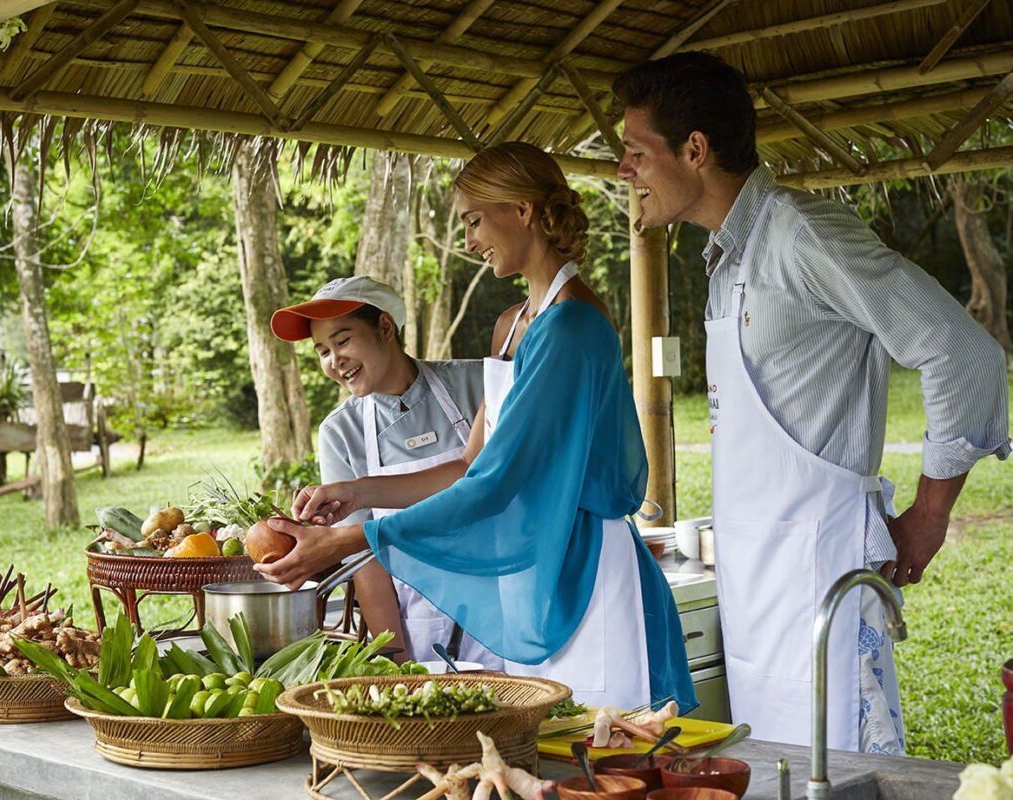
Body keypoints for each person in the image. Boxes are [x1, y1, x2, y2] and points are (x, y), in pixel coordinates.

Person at [612, 52, 1010, 753]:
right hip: (757, 587)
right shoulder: (725, 259)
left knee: (844, 771)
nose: (624, 171)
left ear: (695, 150)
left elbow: (962, 351)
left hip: (823, 576)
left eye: (635, 152)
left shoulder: (802, 235)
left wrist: (931, 513)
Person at [257, 142, 697, 710]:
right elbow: (469, 463)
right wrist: (351, 493)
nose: (467, 242)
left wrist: (353, 538)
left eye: (472, 220)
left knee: (603, 752)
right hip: (532, 575)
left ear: (522, 210)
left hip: (583, 570)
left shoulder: (572, 329)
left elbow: (495, 482)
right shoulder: (513, 325)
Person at [269, 275, 501, 669]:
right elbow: (366, 560)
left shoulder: (477, 383)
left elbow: (490, 486)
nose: (333, 360)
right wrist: (393, 661)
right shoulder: (340, 432)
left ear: (385, 328)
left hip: (506, 605)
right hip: (424, 625)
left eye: (342, 341)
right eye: (322, 351)